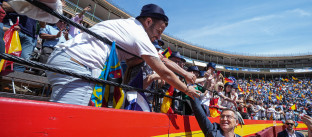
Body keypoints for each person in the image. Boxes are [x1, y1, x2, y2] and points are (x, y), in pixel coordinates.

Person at [46, 4, 200, 106]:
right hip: (78, 64)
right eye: (159, 31)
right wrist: (187, 89)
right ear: (148, 22)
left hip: (67, 59)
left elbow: (163, 59)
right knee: (69, 121)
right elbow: (163, 71)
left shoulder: (129, 26)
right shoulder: (139, 35)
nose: (159, 37)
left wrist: (185, 73)